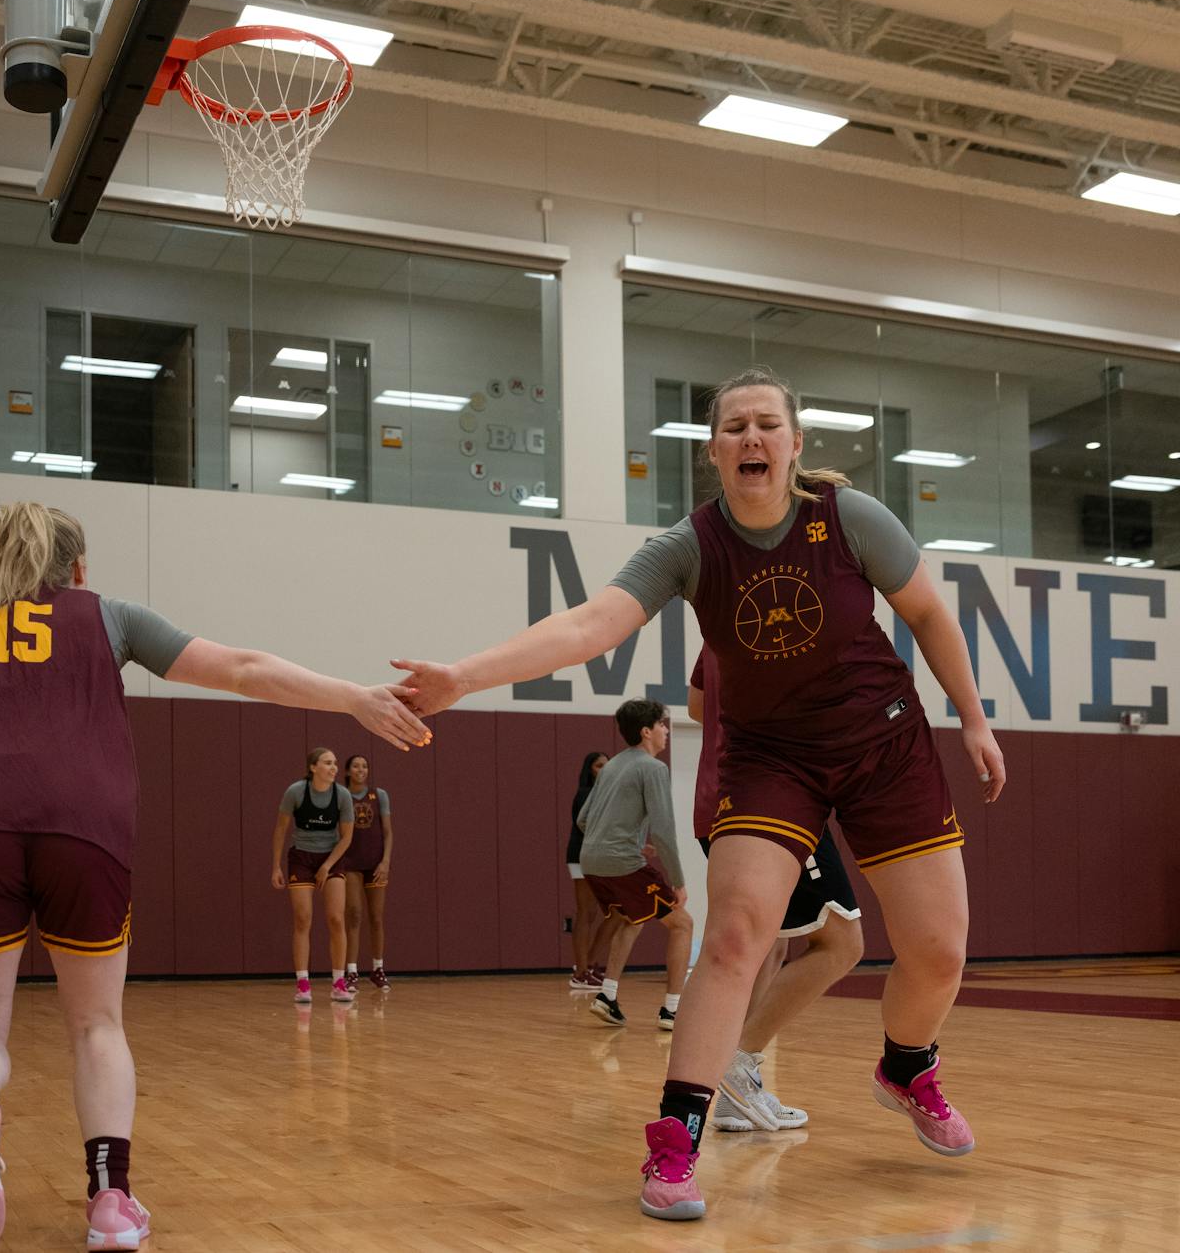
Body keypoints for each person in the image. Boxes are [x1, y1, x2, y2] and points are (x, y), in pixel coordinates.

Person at [390, 365, 1004, 1222]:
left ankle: (906, 1065)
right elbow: (588, 626)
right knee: (737, 933)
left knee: (938, 953)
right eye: (734, 427)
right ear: (713, 451)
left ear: (794, 444)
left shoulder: (850, 519)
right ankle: (676, 1138)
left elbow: (928, 613)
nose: (752, 438)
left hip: (883, 743)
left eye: (767, 425)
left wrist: (973, 718)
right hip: (770, 758)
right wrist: (463, 676)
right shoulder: (688, 547)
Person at [0, 501, 429, 1253]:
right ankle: (110, 1201)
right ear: (78, 567)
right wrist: (353, 697)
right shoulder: (110, 616)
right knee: (96, 1024)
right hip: (84, 826)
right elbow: (243, 668)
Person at [689, 647, 864, 1133]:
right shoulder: (792, 627)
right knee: (842, 943)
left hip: (718, 801)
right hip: (773, 803)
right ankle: (737, 1063)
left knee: (768, 946)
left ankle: (734, 1095)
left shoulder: (717, 633)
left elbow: (697, 707)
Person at [578, 699, 693, 1032]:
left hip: (592, 860)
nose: (666, 730)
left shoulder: (611, 765)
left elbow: (584, 819)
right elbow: (664, 830)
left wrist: (621, 840)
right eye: (661, 725)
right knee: (683, 925)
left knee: (634, 918)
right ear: (646, 731)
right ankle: (672, 1010)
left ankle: (608, 996)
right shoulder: (653, 768)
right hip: (622, 861)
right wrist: (678, 881)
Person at [274, 749, 357, 1006]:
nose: (334, 768)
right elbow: (280, 829)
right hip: (302, 857)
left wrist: (327, 866)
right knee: (303, 918)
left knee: (336, 918)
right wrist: (276, 867)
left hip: (332, 856)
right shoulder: (296, 792)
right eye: (327, 763)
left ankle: (339, 983)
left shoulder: (342, 795)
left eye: (335, 763)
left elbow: (347, 837)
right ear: (313, 767)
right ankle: (303, 984)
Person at [339, 753, 394, 992]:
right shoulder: (341, 796)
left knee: (376, 917)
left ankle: (378, 968)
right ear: (348, 771)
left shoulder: (379, 796)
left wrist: (385, 862)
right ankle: (351, 971)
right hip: (350, 863)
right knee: (353, 914)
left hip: (375, 864)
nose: (361, 770)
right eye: (356, 766)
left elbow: (388, 832)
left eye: (364, 766)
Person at [565, 750, 609, 991]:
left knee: (606, 913)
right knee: (585, 913)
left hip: (598, 856)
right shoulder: (585, 794)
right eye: (599, 766)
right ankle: (581, 972)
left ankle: (589, 964)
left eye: (607, 765)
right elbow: (586, 825)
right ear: (589, 770)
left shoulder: (607, 793)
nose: (604, 769)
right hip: (581, 854)